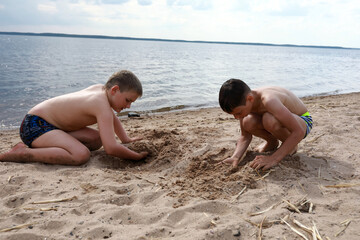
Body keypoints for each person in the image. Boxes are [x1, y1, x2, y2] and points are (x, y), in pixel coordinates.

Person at [0, 70, 148, 165]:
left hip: (50, 125)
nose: (128, 106)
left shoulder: (101, 91)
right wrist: (136, 156)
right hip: (34, 126)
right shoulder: (100, 104)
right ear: (115, 90)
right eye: (128, 100)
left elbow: (112, 118)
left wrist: (125, 139)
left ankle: (57, 144)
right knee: (80, 155)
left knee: (97, 139)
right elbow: (110, 148)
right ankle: (23, 153)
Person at [218, 79, 313, 170]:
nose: (236, 117)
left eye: (238, 113)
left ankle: (291, 146)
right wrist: (235, 157)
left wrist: (273, 159)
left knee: (269, 119)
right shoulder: (245, 102)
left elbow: (298, 131)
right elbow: (245, 136)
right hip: (284, 122)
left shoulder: (269, 100)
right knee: (247, 122)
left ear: (250, 98)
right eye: (233, 114)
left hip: (302, 121)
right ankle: (272, 143)